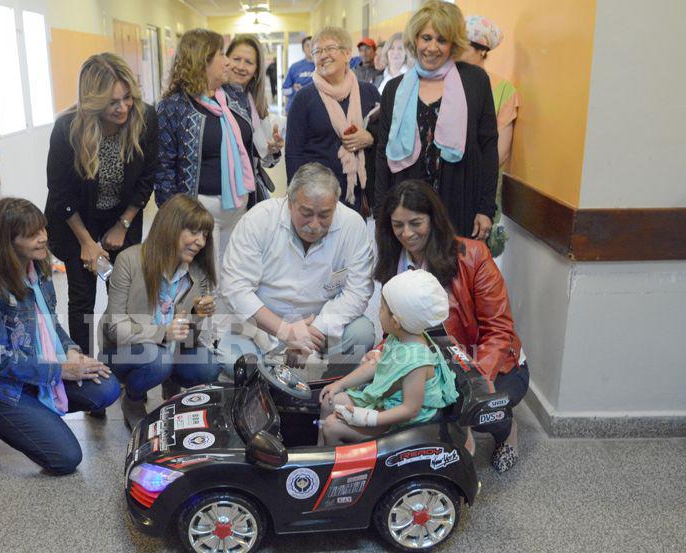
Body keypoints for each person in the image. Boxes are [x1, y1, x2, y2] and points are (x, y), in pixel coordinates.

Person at [375, 179, 528, 473]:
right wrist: (380, 355)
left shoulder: (473, 255)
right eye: (397, 225)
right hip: (431, 363)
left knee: (476, 407)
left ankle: (506, 430)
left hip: (491, 362)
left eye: (415, 223)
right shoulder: (393, 259)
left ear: (433, 218)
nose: (406, 234)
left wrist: (474, 382)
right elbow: (393, 327)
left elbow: (499, 330)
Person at [0, 198, 120, 474]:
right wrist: (60, 371)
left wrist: (71, 351)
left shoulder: (38, 270)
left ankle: (32, 413)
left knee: (106, 387)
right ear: (6, 241)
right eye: (33, 234)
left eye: (43, 230)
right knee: (66, 458)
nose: (43, 238)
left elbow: (52, 325)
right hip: (1, 386)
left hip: (39, 368)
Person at [45, 53, 158, 355]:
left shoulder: (145, 119)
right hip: (74, 219)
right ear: (93, 102)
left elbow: (147, 179)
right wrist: (86, 242)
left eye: (126, 98)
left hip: (122, 216)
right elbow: (60, 192)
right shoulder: (68, 129)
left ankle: (120, 364)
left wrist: (123, 224)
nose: (123, 108)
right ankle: (85, 369)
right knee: (82, 297)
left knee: (122, 292)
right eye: (112, 102)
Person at [218, 163, 376, 377]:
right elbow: (235, 289)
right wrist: (286, 331)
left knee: (362, 333)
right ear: (289, 202)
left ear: (336, 205)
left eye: (324, 215)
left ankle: (324, 393)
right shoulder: (260, 219)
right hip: (260, 327)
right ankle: (265, 396)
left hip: (318, 328)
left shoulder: (352, 225)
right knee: (233, 360)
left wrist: (317, 329)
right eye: (307, 213)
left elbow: (358, 291)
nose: (314, 225)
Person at [374, 0, 499, 242]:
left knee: (453, 277)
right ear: (415, 40)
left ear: (453, 44)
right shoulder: (394, 89)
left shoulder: (475, 82)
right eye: (426, 38)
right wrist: (382, 211)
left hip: (459, 206)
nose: (432, 47)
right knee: (409, 278)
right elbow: (382, 154)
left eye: (441, 40)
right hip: (406, 210)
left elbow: (488, 147)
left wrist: (485, 209)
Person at [101, 195, 221, 428]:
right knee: (158, 359)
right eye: (194, 232)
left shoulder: (198, 273)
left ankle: (171, 385)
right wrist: (163, 333)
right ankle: (133, 399)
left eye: (205, 235)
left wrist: (197, 314)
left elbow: (190, 341)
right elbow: (115, 328)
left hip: (170, 351)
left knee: (209, 366)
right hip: (124, 352)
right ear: (171, 227)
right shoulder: (130, 260)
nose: (200, 242)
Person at [154, 28, 256, 274]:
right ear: (203, 59)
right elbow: (163, 167)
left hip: (239, 204)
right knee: (204, 283)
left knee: (237, 277)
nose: (228, 61)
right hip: (199, 213)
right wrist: (178, 219)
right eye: (221, 54)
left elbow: (247, 147)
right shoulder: (173, 106)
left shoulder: (234, 95)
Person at [318, 270, 459, 445]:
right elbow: (376, 365)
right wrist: (340, 384)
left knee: (332, 426)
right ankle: (318, 450)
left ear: (395, 322)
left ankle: (333, 465)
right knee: (329, 402)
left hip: (401, 422)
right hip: (387, 400)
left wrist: (368, 418)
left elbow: (410, 409)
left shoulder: (417, 362)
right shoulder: (400, 336)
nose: (378, 311)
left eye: (382, 308)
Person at [286, 27, 381, 211]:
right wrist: (296, 200)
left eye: (330, 48)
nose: (323, 55)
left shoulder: (368, 93)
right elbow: (293, 154)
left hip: (361, 195)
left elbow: (385, 139)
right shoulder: (304, 98)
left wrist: (370, 138)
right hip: (317, 198)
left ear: (347, 53)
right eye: (317, 51)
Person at [460, 15, 519, 257]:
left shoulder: (504, 90)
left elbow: (501, 150)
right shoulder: (446, 82)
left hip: (480, 184)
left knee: (473, 255)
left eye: (462, 45)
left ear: (482, 50)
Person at [226, 34, 285, 195]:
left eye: (249, 62)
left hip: (249, 189)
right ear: (225, 60)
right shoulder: (213, 98)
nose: (241, 66)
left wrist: (273, 149)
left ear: (256, 70)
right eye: (236, 59)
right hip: (222, 190)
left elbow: (266, 157)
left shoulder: (255, 101)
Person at [281, 36, 315, 113]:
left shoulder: (322, 67)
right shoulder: (294, 67)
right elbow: (284, 91)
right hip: (295, 109)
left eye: (313, 45)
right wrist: (293, 89)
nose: (310, 48)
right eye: (307, 45)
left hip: (314, 109)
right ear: (303, 49)